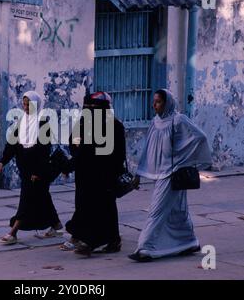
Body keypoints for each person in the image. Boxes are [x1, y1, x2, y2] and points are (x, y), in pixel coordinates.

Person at [128, 89, 212, 262]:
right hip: (162, 174)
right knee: (177, 211)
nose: (154, 105)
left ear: (167, 103)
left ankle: (145, 248)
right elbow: (148, 150)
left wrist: (182, 159)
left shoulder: (178, 120)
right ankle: (189, 241)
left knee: (156, 211)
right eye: (154, 102)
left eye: (158, 102)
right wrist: (139, 174)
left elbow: (200, 137)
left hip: (173, 173)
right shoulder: (155, 122)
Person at [62, 92, 126, 256]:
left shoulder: (115, 126)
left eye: (94, 107)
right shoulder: (84, 124)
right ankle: (92, 238)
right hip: (85, 175)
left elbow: (118, 154)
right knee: (85, 206)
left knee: (105, 208)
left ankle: (96, 241)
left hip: (104, 175)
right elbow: (75, 143)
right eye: (88, 107)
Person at [0, 91, 63, 245]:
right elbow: (12, 144)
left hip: (37, 171)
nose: (26, 107)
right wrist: (2, 161)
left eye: (29, 104)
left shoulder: (43, 124)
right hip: (25, 169)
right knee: (43, 197)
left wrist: (38, 172)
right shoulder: (21, 122)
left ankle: (13, 232)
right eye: (24, 104)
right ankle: (56, 224)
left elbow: (44, 151)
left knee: (26, 199)